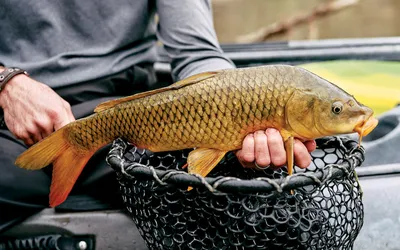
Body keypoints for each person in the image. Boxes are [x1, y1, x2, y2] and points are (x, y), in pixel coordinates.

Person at [0, 0, 316, 245]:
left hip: (136, 117)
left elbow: (196, 52)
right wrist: (7, 83)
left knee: (269, 213)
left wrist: (245, 113)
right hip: (8, 113)